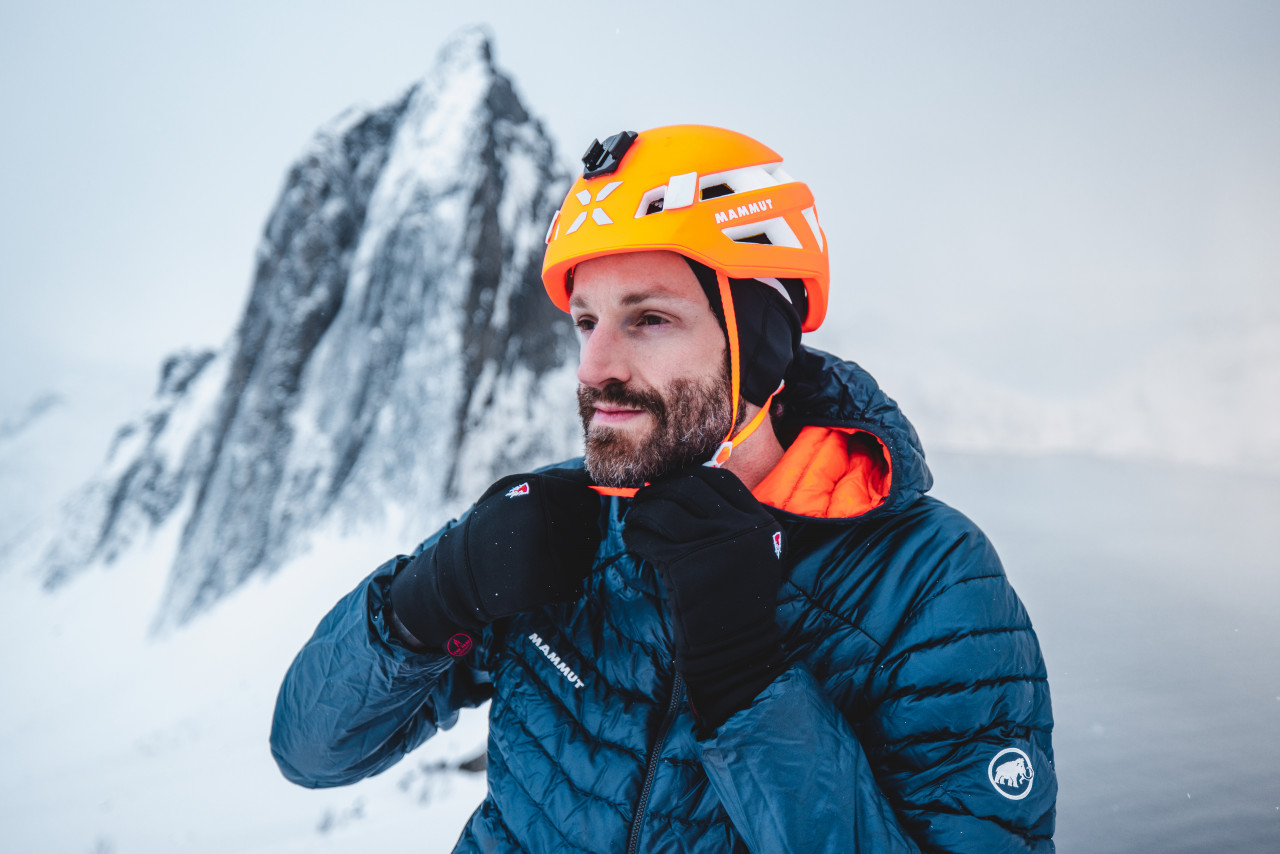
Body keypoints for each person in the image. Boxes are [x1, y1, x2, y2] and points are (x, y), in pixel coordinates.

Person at [270, 125, 1057, 852]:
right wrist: (432, 594)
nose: (593, 368)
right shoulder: (561, 525)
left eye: (647, 319)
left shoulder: (929, 584)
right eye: (586, 322)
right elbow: (310, 753)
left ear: (763, 344)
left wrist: (750, 684)